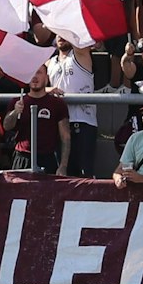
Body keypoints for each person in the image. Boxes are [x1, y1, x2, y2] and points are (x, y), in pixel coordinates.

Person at [47, 37, 97, 178]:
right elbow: (35, 87)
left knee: (83, 177)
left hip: (82, 123)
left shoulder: (80, 55)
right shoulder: (50, 62)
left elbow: (79, 38)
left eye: (65, 33)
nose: (61, 36)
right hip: (58, 124)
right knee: (61, 176)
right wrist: (47, 89)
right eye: (58, 33)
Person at [5, 66, 67, 174]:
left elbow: (65, 137)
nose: (35, 77)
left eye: (39, 73)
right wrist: (15, 112)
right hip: (22, 157)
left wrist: (63, 166)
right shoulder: (18, 101)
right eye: (32, 73)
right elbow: (7, 126)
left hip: (47, 159)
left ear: (47, 78)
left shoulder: (57, 104)